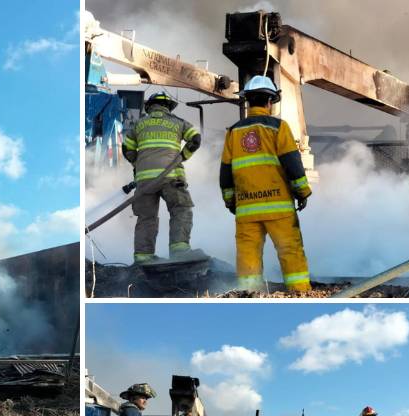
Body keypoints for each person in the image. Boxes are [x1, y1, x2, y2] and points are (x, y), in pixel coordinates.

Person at [219, 75, 313, 291]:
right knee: (290, 251)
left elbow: (225, 172)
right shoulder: (279, 127)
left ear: (248, 101)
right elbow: (293, 163)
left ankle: (249, 295)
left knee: (248, 256)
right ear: (270, 102)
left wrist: (230, 201)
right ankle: (299, 294)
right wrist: (303, 192)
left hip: (246, 210)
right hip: (279, 208)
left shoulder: (234, 132)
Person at [122, 92, 201, 264]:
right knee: (181, 209)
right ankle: (179, 250)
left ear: (149, 106)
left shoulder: (139, 124)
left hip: (144, 181)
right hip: (171, 176)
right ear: (168, 107)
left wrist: (138, 165)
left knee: (146, 217)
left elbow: (126, 148)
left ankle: (143, 257)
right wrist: (183, 156)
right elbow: (195, 139)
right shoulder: (178, 122)